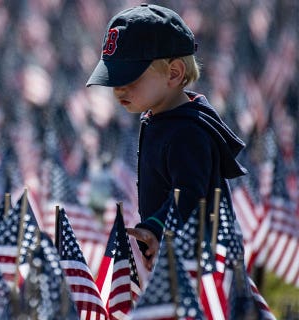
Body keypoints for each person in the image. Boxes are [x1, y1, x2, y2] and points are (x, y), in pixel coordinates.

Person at [86, 4, 248, 270]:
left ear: (173, 73)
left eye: (131, 78)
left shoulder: (187, 132)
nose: (118, 89)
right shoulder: (161, 119)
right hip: (175, 256)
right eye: (115, 79)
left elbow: (190, 196)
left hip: (198, 262)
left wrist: (157, 227)